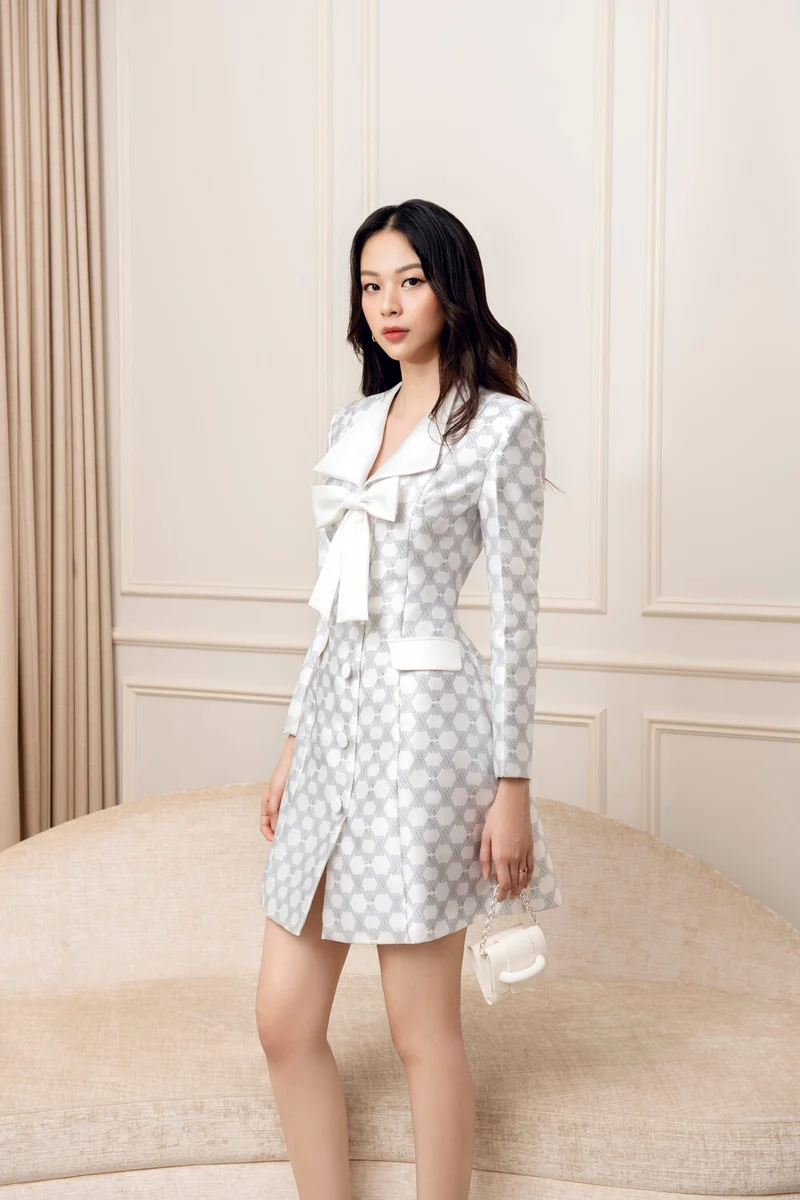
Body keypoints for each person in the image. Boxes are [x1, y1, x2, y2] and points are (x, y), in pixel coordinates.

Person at [255, 198, 563, 1199]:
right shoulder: (351, 425)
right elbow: (332, 605)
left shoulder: (502, 429)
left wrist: (512, 786)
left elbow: (515, 621)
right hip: (332, 727)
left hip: (429, 737)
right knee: (283, 1020)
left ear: (450, 287)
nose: (387, 304)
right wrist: (293, 741)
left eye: (410, 281)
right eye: (370, 285)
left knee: (419, 1027)